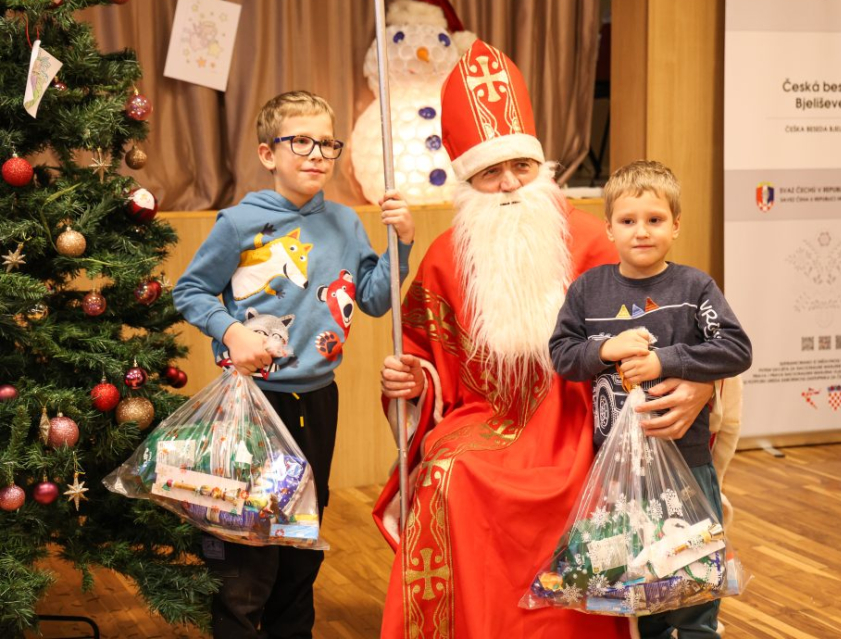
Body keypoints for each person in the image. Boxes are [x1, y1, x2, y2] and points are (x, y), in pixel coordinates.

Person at [374, 40, 712, 639]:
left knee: (581, 486)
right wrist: (412, 378)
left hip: (584, 420)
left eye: (520, 168)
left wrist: (696, 381)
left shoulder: (595, 241)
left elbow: (677, 321)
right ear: (468, 179)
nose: (508, 184)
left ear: (541, 167)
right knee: (447, 476)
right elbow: (428, 357)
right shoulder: (446, 255)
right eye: (490, 171)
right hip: (488, 417)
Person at [173, 90, 414, 638]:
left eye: (326, 142)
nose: (316, 154)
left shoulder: (348, 223)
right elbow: (190, 292)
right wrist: (232, 331)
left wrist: (400, 242)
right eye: (299, 141)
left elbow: (374, 300)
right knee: (247, 536)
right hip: (255, 402)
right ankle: (236, 625)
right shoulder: (239, 223)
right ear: (267, 154)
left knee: (303, 530)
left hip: (317, 401)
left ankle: (291, 628)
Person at [548, 160, 753, 639]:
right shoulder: (587, 291)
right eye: (628, 221)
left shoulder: (694, 287)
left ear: (676, 226)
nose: (642, 231)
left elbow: (736, 348)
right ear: (609, 229)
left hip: (687, 463)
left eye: (655, 220)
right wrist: (605, 349)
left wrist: (667, 361)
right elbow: (561, 355)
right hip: (620, 475)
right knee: (645, 591)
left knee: (694, 587)